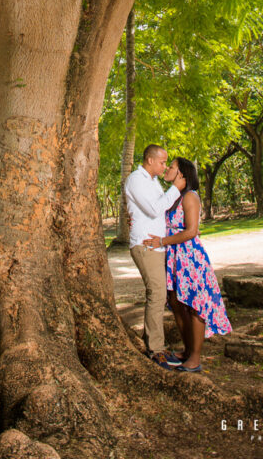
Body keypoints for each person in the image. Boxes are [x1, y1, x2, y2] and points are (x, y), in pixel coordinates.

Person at [143, 157, 232, 372]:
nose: (167, 169)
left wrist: (162, 241)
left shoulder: (190, 197)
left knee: (194, 306)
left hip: (190, 259)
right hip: (174, 259)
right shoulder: (173, 197)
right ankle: (188, 349)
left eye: (171, 167)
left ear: (181, 174)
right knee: (176, 303)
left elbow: (191, 231)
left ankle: (195, 358)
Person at [123, 144, 180, 364]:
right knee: (156, 293)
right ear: (150, 160)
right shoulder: (136, 180)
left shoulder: (153, 182)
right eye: (162, 162)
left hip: (157, 245)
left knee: (160, 294)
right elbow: (154, 209)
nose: (164, 166)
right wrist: (176, 187)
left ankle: (154, 343)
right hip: (145, 245)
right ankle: (155, 349)